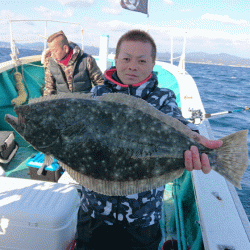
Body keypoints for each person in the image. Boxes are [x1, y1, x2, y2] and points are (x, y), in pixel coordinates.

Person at [76, 29, 223, 250]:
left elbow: (176, 120)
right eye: (126, 59)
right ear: (116, 60)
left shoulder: (163, 98)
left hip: (142, 218)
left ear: (152, 63)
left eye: (142, 60)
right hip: (94, 211)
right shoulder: (97, 96)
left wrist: (194, 138)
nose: (132, 66)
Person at [43, 30, 103, 96]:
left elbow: (100, 83)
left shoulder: (87, 60)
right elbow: (49, 89)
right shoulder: (51, 64)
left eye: (55, 51)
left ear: (65, 48)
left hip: (84, 103)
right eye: (51, 51)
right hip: (63, 104)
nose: (52, 55)